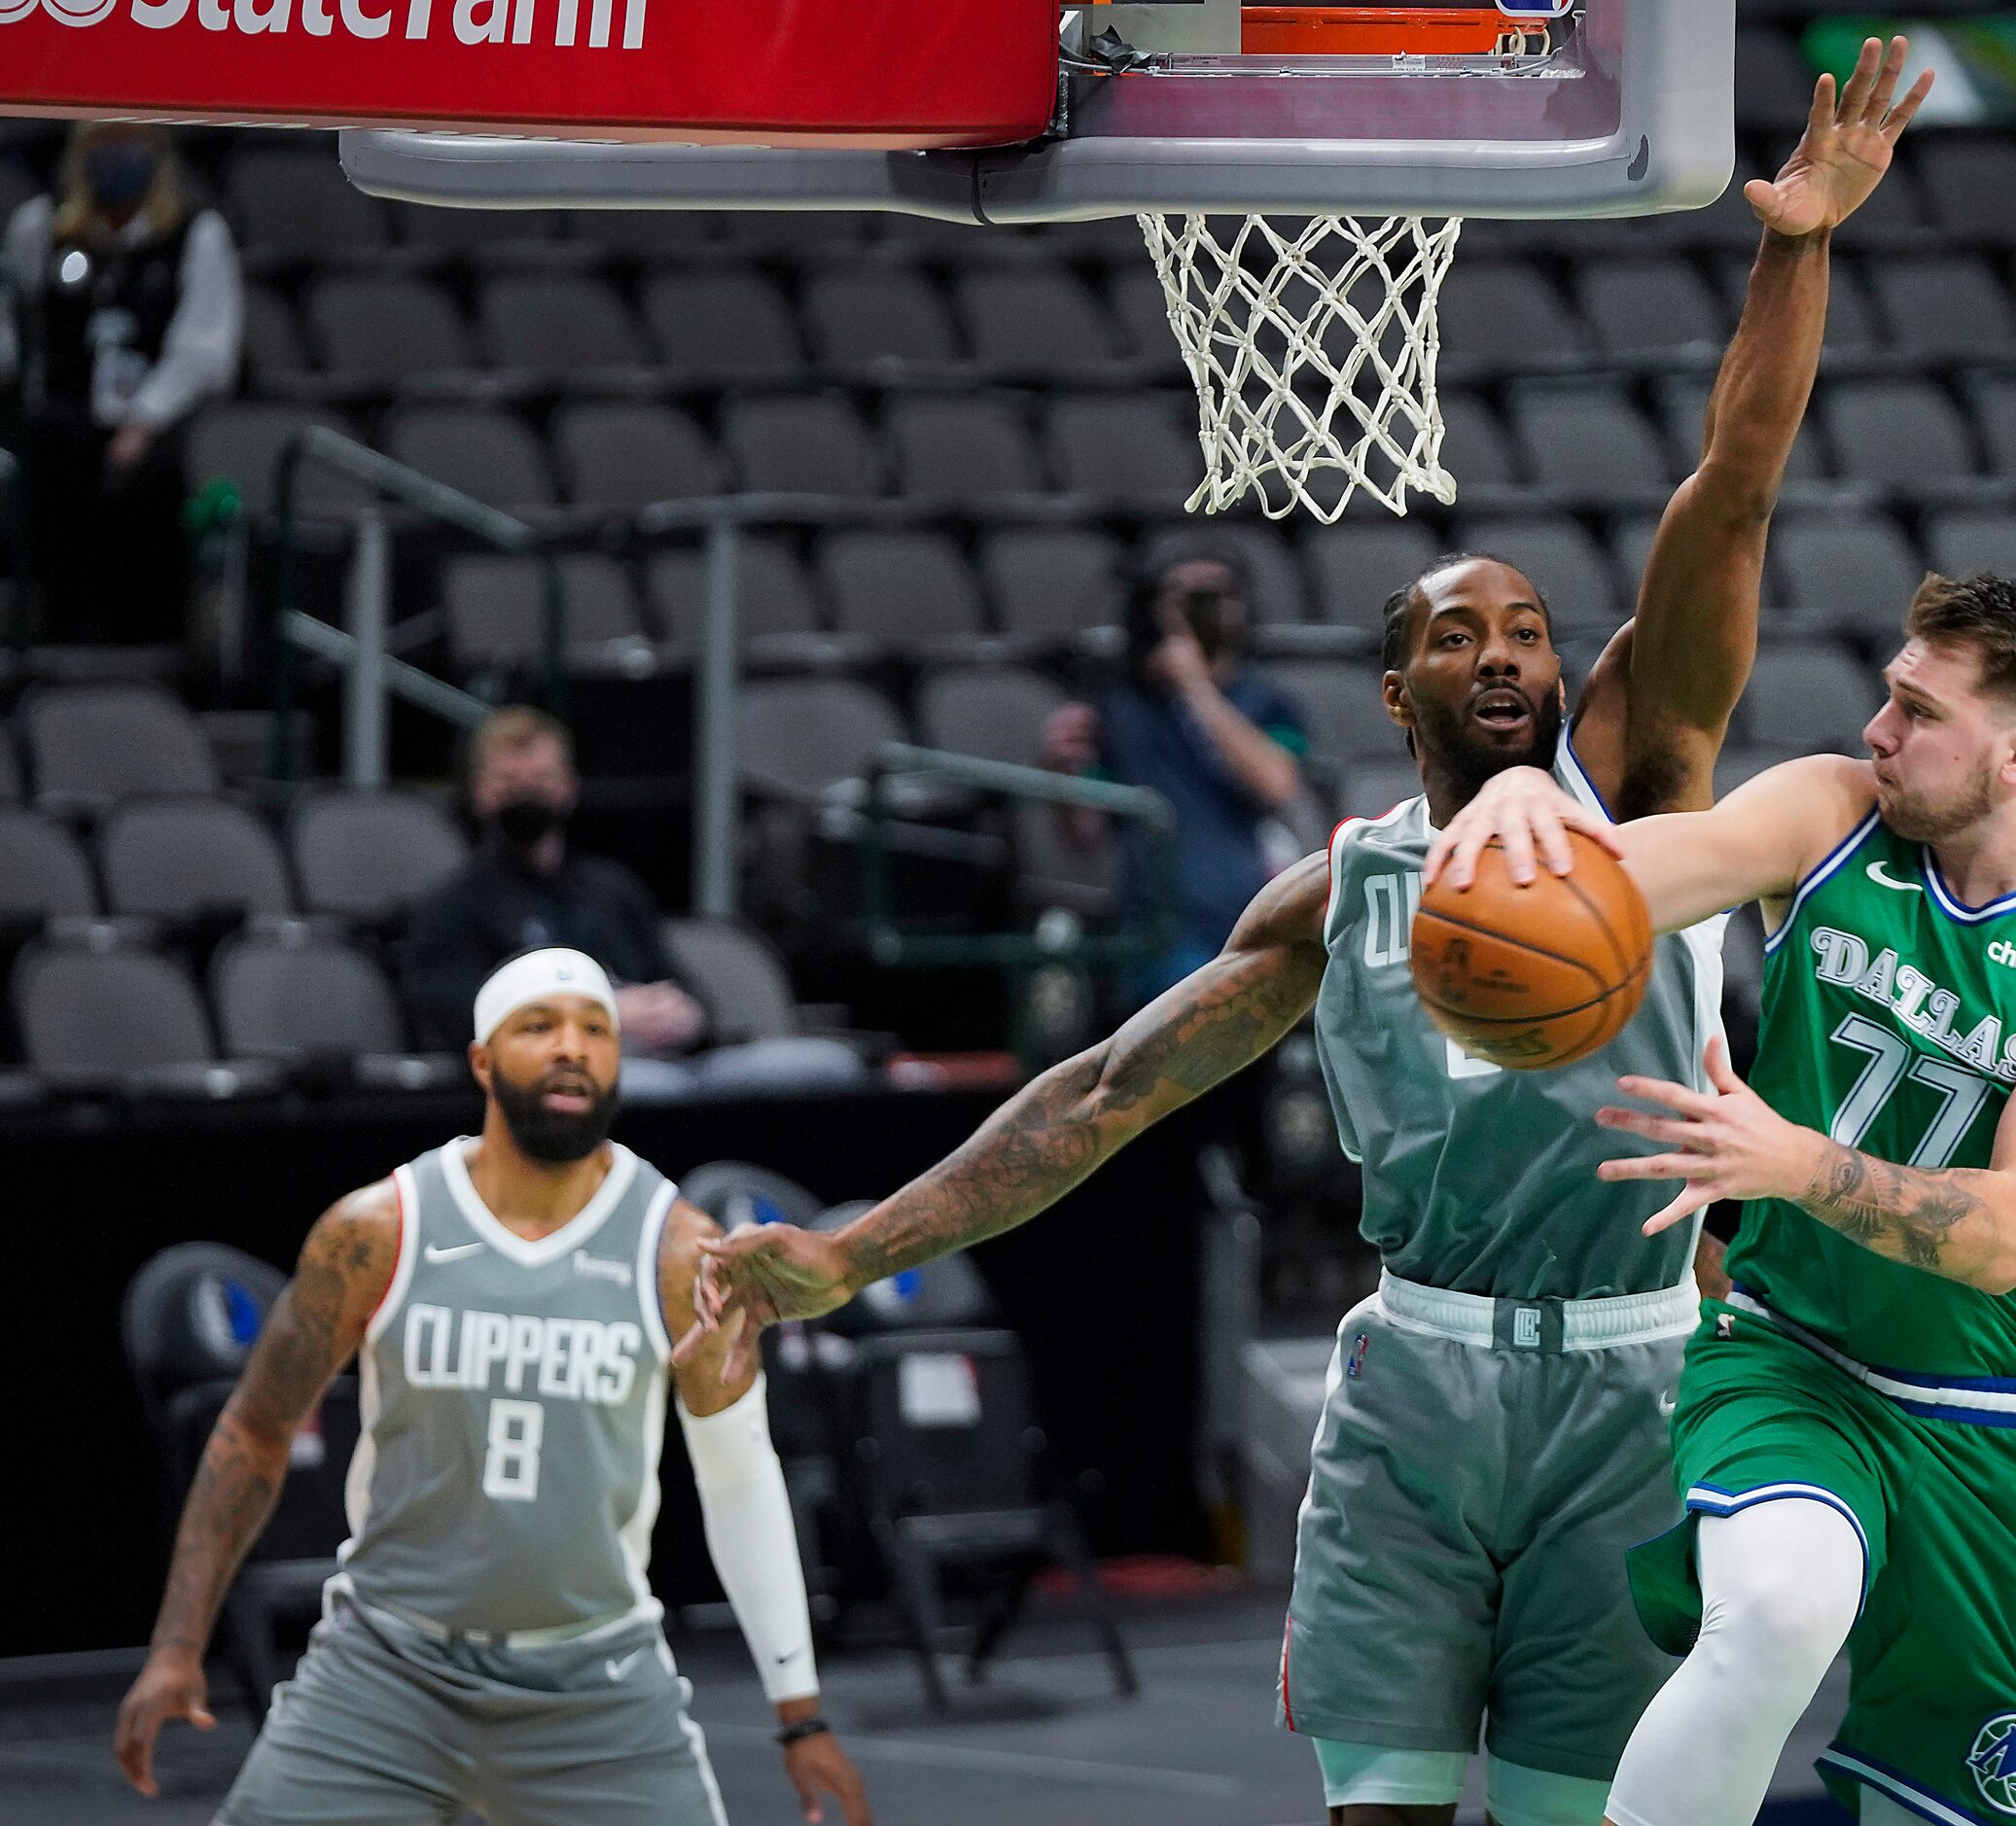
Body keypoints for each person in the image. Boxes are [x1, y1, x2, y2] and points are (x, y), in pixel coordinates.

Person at [680, 45, 1929, 1826]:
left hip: (1636, 1371)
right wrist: (845, 1253)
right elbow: (1090, 1099)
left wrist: (1794, 247)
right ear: (1395, 682)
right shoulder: (1330, 896)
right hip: (1416, 1385)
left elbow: (1726, 487)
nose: (1502, 650)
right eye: (1456, 632)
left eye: (1525, 627)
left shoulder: (1644, 806)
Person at [1427, 571, 2016, 1826]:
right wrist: (1525, 802)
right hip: (1797, 1359)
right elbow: (1615, 881)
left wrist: (1795, 1164)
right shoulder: (1831, 813)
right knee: (1780, 1607)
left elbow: (2008, 1235)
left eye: (1915, 710)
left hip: (1997, 1418)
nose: (1876, 730)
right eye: (1886, 695)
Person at [113, 948, 872, 1826]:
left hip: (597, 1688)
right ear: (480, 1059)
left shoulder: (675, 1251)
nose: (571, 1048)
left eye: (596, 1030)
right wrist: (176, 1642)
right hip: (387, 1671)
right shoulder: (379, 1230)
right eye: (539, 1026)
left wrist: (799, 1710)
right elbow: (252, 1430)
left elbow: (739, 1475)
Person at [406, 708, 863, 1096]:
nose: (529, 794)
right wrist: (597, 1018)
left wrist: (685, 1017)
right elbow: (459, 1021)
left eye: (542, 779)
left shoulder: (610, 888)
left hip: (668, 1060)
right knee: (645, 1088)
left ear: (568, 786)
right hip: (558, 1078)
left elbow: (684, 992)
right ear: (481, 791)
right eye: (511, 782)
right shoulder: (451, 906)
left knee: (827, 1064)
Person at [1, 123, 240, 645]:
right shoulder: (39, 227)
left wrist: (145, 419)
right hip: (59, 425)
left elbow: (205, 352)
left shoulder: (196, 232)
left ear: (157, 154)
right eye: (103, 142)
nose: (116, 157)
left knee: (147, 495)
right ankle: (48, 653)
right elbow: (14, 328)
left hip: (155, 433)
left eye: (129, 142)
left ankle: (153, 653)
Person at [1040, 544, 1310, 1000]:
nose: (1198, 609)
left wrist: (1195, 684)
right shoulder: (1121, 707)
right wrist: (1058, 769)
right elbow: (1083, 834)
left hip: (1248, 921)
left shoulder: (1266, 702)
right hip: (1157, 929)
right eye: (1182, 596)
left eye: (1214, 595)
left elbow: (1275, 783)